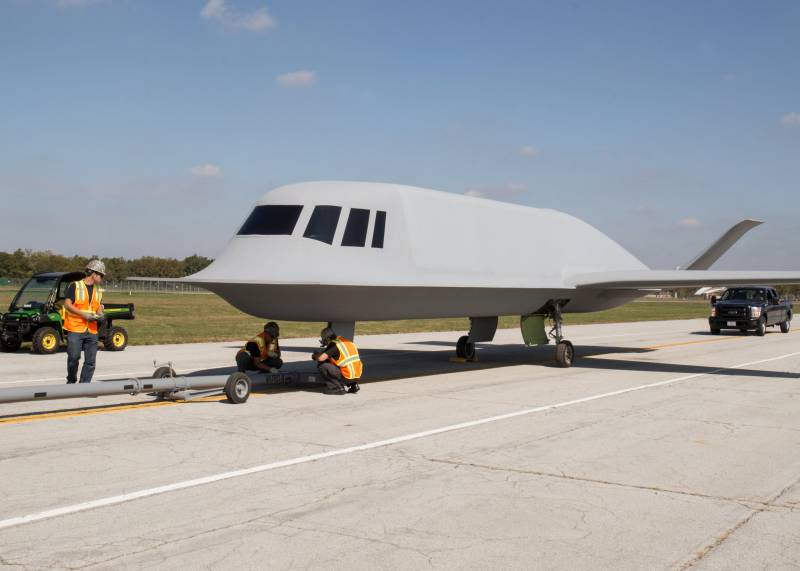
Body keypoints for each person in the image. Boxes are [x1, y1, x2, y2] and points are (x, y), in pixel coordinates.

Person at [63, 259, 106, 384]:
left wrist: (100, 313)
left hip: (92, 330)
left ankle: (84, 385)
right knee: (73, 357)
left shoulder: (98, 289)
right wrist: (84, 315)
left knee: (90, 361)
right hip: (75, 329)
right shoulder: (75, 286)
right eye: (101, 275)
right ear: (93, 274)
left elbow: (98, 305)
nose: (102, 278)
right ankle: (71, 381)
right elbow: (67, 304)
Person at [312, 327, 362, 395]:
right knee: (339, 362)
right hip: (356, 375)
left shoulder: (334, 345)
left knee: (322, 365)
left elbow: (321, 358)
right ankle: (353, 385)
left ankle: (336, 388)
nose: (325, 343)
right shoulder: (346, 342)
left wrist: (315, 356)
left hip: (346, 375)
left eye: (324, 340)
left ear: (328, 339)